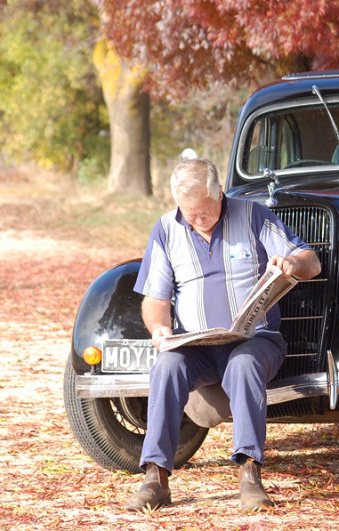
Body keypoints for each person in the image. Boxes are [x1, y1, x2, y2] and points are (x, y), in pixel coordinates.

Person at [125, 154, 321, 511]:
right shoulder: (166, 229)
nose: (198, 220)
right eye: (190, 213)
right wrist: (159, 329)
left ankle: (250, 474)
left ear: (220, 194)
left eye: (205, 211)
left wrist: (291, 263)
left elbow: (311, 260)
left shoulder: (253, 215)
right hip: (197, 345)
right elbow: (155, 298)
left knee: (244, 365)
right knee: (166, 367)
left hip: (255, 339)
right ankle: (156, 477)